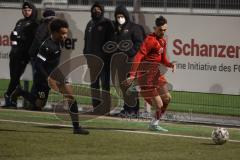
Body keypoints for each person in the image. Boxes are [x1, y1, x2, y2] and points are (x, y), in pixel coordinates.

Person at [11, 19, 89, 134]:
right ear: (54, 33)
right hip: (43, 79)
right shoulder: (46, 46)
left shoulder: (59, 41)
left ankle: (76, 128)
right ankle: (20, 92)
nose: (65, 36)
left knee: (71, 98)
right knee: (40, 104)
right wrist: (48, 78)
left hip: (57, 75)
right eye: (63, 33)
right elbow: (38, 64)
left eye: (66, 33)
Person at [124, 16, 176, 131]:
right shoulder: (150, 40)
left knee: (167, 98)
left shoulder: (163, 41)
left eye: (165, 30)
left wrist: (170, 64)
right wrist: (132, 74)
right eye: (160, 30)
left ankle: (154, 123)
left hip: (155, 72)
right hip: (146, 74)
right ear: (155, 28)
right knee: (159, 105)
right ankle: (140, 89)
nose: (162, 32)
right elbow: (138, 56)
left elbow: (163, 59)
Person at [111, 5, 144, 116]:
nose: (120, 18)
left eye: (122, 16)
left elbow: (139, 43)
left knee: (130, 87)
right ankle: (127, 109)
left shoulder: (134, 28)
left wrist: (129, 53)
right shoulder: (115, 29)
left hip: (130, 62)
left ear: (126, 15)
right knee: (124, 87)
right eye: (118, 16)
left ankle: (134, 110)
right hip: (120, 63)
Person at [3, 2, 38, 108]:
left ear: (32, 11)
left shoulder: (34, 23)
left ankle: (8, 95)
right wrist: (15, 38)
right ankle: (12, 100)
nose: (26, 12)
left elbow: (30, 40)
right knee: (14, 77)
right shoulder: (20, 22)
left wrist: (18, 38)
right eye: (24, 10)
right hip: (14, 53)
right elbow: (13, 35)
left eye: (28, 10)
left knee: (15, 78)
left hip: (23, 55)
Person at [83, 2, 114, 115]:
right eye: (94, 9)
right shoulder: (89, 24)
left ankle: (106, 109)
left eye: (98, 9)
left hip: (103, 61)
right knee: (94, 85)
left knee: (105, 85)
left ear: (102, 11)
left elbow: (111, 42)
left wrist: (106, 56)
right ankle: (96, 108)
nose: (96, 11)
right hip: (92, 60)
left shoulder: (107, 23)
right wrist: (86, 53)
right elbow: (86, 41)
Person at [28, 9, 56, 110]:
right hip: (41, 58)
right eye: (53, 17)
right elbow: (40, 42)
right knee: (42, 83)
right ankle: (36, 104)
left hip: (38, 57)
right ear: (50, 18)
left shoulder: (43, 26)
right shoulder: (46, 26)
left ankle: (35, 104)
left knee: (39, 82)